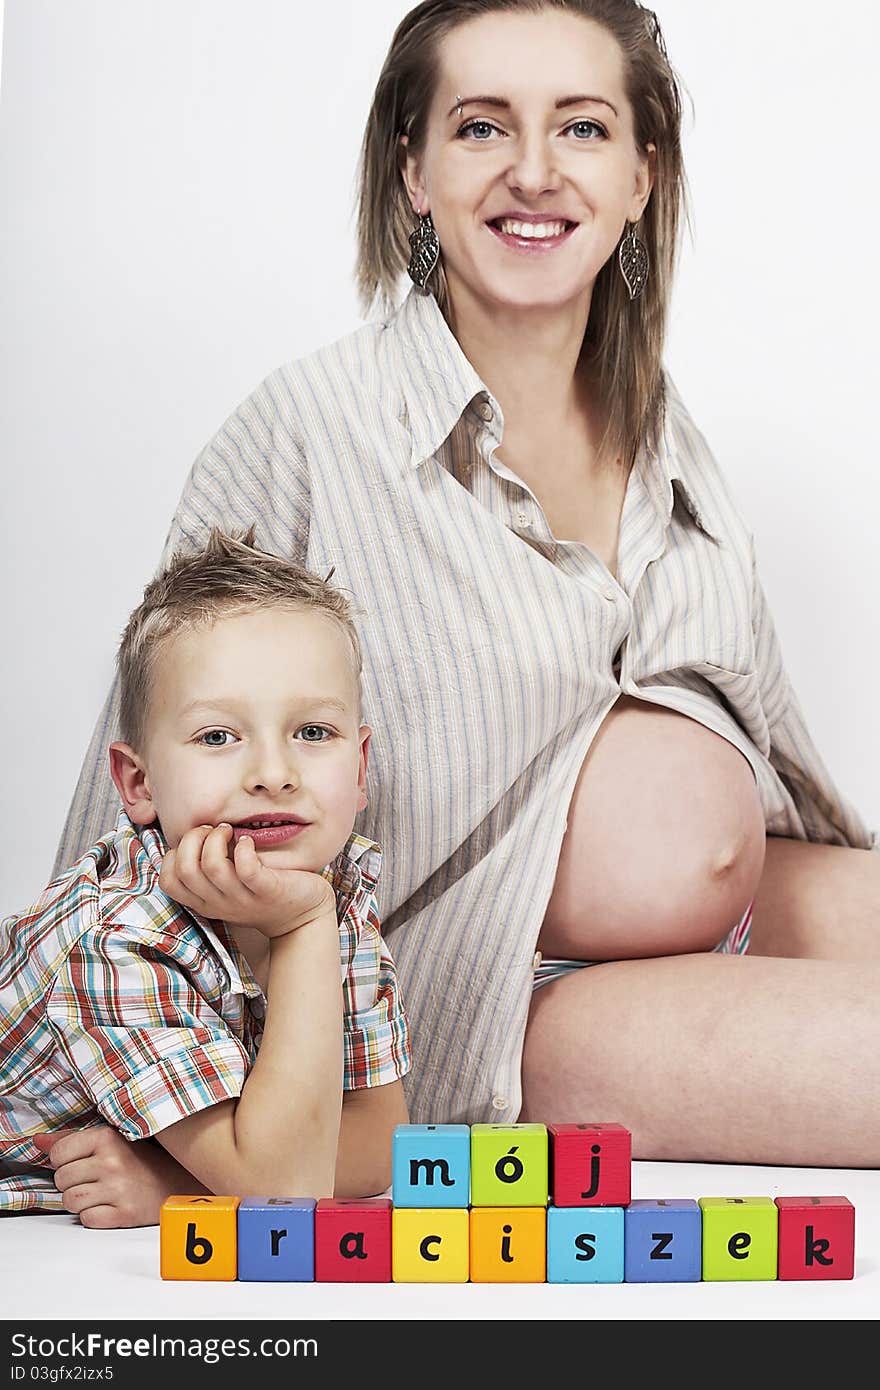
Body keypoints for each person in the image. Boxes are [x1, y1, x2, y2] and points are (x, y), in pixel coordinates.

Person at [52, 0, 879, 1168]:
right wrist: (148, 1127)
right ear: (414, 173)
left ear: (642, 175)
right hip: (502, 997)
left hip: (742, 906)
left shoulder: (664, 429)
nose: (533, 173)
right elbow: (136, 787)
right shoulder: (303, 431)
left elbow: (768, 735)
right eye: (483, 127)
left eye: (582, 130)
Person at [0, 527, 410, 1225]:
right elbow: (289, 1189)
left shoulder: (329, 892)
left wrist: (176, 1187)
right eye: (218, 737)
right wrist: (302, 928)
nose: (274, 774)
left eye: (312, 732)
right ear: (139, 782)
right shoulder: (116, 941)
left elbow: (380, 1147)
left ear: (361, 767)